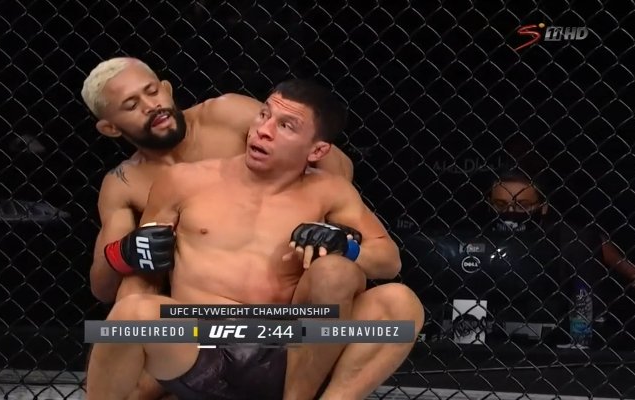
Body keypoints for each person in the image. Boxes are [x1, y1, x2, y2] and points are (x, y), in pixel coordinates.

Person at [86, 79, 425, 400]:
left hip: (290, 345)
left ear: (317, 150)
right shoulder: (183, 181)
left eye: (286, 126)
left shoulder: (330, 191)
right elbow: (144, 274)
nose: (263, 130)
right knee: (132, 313)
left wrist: (344, 247)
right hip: (201, 338)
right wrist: (137, 369)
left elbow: (388, 261)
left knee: (395, 302)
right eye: (264, 114)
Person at [80, 57, 354, 304]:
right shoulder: (124, 183)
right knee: (134, 286)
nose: (152, 106)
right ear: (111, 128)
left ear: (167, 88)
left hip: (288, 276)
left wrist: (328, 220)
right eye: (131, 105)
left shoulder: (228, 115)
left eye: (152, 91)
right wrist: (123, 253)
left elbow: (336, 162)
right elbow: (103, 289)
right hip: (199, 297)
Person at [488, 169, 635, 291]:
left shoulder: (567, 238)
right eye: (501, 205)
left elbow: (590, 238)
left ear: (543, 207)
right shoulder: (479, 234)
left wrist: (627, 268)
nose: (510, 212)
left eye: (522, 205)